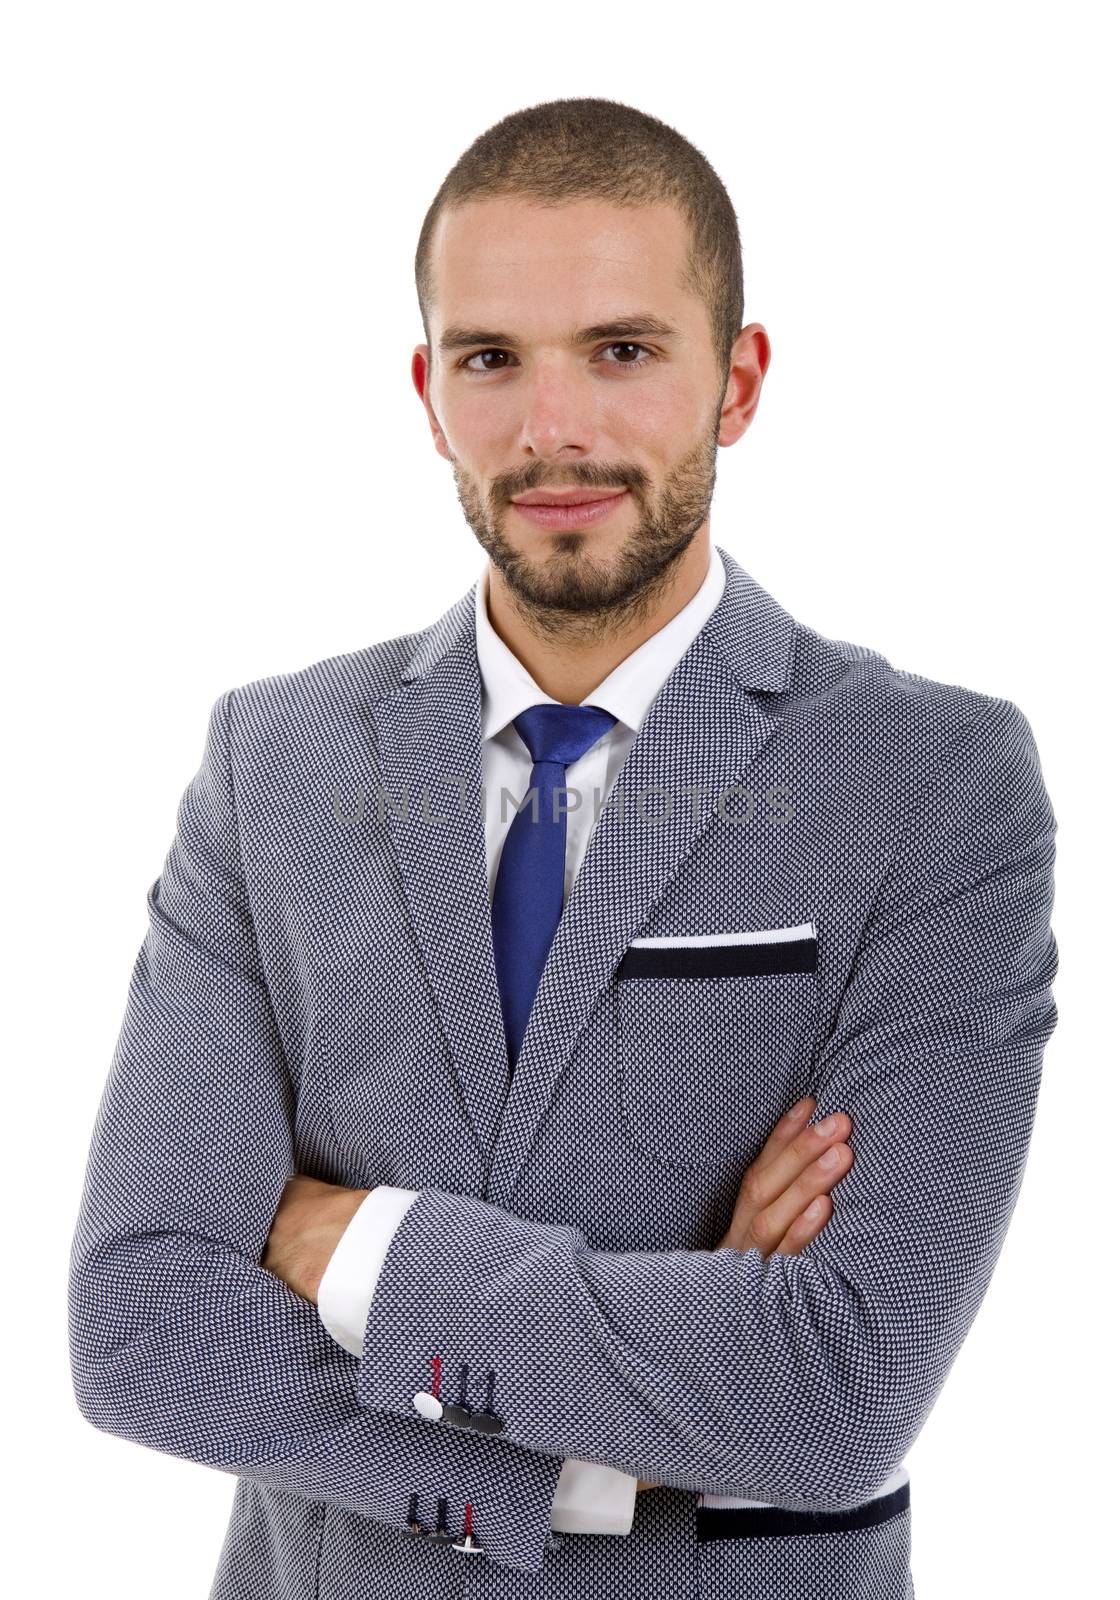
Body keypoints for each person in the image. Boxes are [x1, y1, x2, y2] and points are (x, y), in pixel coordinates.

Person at [68, 97, 1059, 1600]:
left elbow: (841, 1386)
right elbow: (143, 1327)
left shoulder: (932, 781)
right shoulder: (271, 762)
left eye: (622, 351)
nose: (555, 431)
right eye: (491, 360)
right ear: (427, 389)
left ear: (737, 382)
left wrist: (353, 1250)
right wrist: (593, 1467)